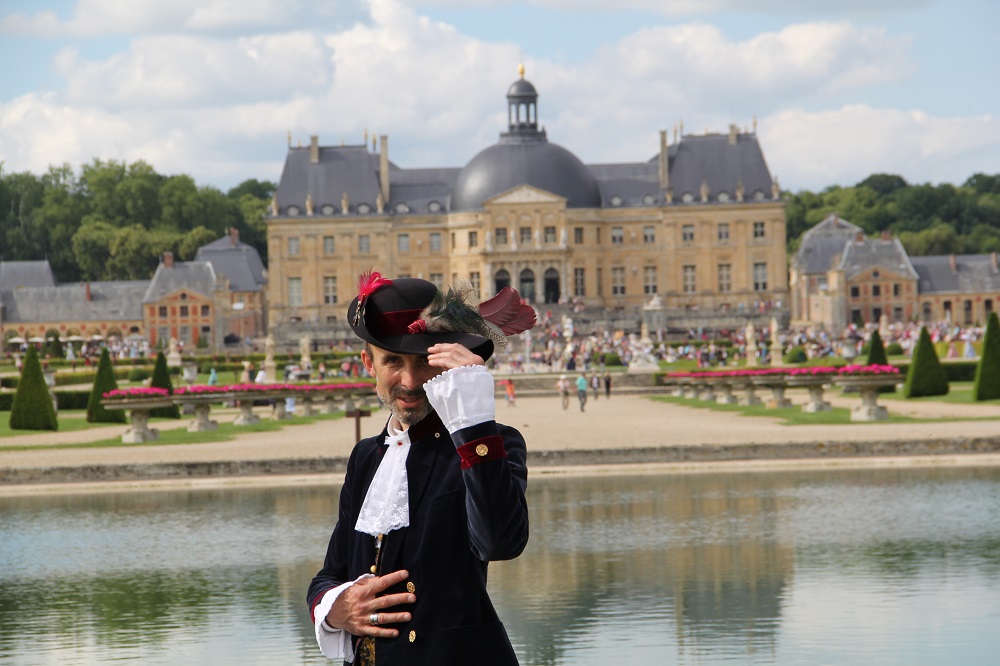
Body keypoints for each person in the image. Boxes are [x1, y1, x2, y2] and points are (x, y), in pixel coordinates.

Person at [307, 275, 531, 665]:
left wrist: (475, 421)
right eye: (392, 361)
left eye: (424, 361)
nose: (409, 382)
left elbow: (500, 542)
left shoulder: (492, 443)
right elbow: (332, 572)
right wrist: (335, 607)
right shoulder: (366, 456)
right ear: (368, 363)